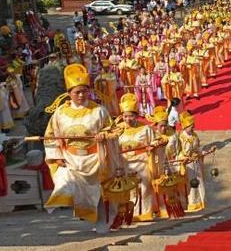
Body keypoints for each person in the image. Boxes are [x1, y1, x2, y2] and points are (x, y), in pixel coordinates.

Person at [43, 64, 115, 232]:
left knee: (98, 192)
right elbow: (50, 134)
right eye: (77, 92)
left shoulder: (99, 111)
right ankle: (67, 204)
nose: (81, 95)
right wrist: (57, 156)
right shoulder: (60, 112)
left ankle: (102, 222)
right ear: (69, 93)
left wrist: (104, 136)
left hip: (95, 158)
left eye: (84, 91)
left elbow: (111, 131)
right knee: (67, 182)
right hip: (70, 157)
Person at [116, 93, 160, 222]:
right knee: (128, 190)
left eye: (131, 116)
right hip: (124, 164)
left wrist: (152, 146)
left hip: (141, 162)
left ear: (135, 115)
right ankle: (128, 214)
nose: (128, 119)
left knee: (144, 188)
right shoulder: (118, 130)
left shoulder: (145, 129)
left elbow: (155, 141)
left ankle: (145, 212)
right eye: (125, 116)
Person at [177, 111, 207, 212]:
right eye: (190, 126)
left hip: (196, 161)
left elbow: (197, 147)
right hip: (187, 164)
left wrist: (203, 152)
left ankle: (201, 202)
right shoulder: (181, 137)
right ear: (185, 127)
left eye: (193, 126)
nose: (192, 128)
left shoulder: (194, 135)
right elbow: (179, 151)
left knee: (200, 181)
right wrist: (183, 158)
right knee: (191, 183)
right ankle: (192, 203)